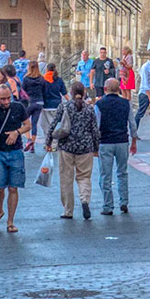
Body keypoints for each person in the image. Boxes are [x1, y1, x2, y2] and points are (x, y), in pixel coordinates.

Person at [0, 79, 33, 233]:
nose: (6, 101)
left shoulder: (18, 107)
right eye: (3, 99)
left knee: (14, 187)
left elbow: (28, 125)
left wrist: (17, 133)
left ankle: (10, 221)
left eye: (8, 98)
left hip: (16, 151)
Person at [45, 84, 99, 219]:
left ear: (71, 92)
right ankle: (85, 200)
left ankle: (68, 210)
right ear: (84, 93)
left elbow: (54, 124)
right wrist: (96, 147)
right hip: (85, 147)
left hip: (66, 146)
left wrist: (48, 141)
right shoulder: (89, 109)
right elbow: (95, 130)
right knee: (84, 177)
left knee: (66, 178)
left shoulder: (64, 107)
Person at [95, 76, 132, 216]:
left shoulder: (99, 105)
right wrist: (133, 139)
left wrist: (95, 143)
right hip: (122, 140)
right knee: (122, 172)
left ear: (105, 89)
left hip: (105, 141)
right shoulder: (126, 103)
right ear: (119, 89)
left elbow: (96, 126)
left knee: (105, 175)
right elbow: (132, 124)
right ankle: (124, 201)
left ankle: (108, 205)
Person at [22, 60, 50, 139]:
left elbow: (23, 91)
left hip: (30, 102)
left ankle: (28, 140)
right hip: (39, 102)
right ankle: (33, 143)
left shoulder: (26, 79)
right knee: (34, 123)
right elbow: (45, 91)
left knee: (26, 122)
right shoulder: (41, 78)